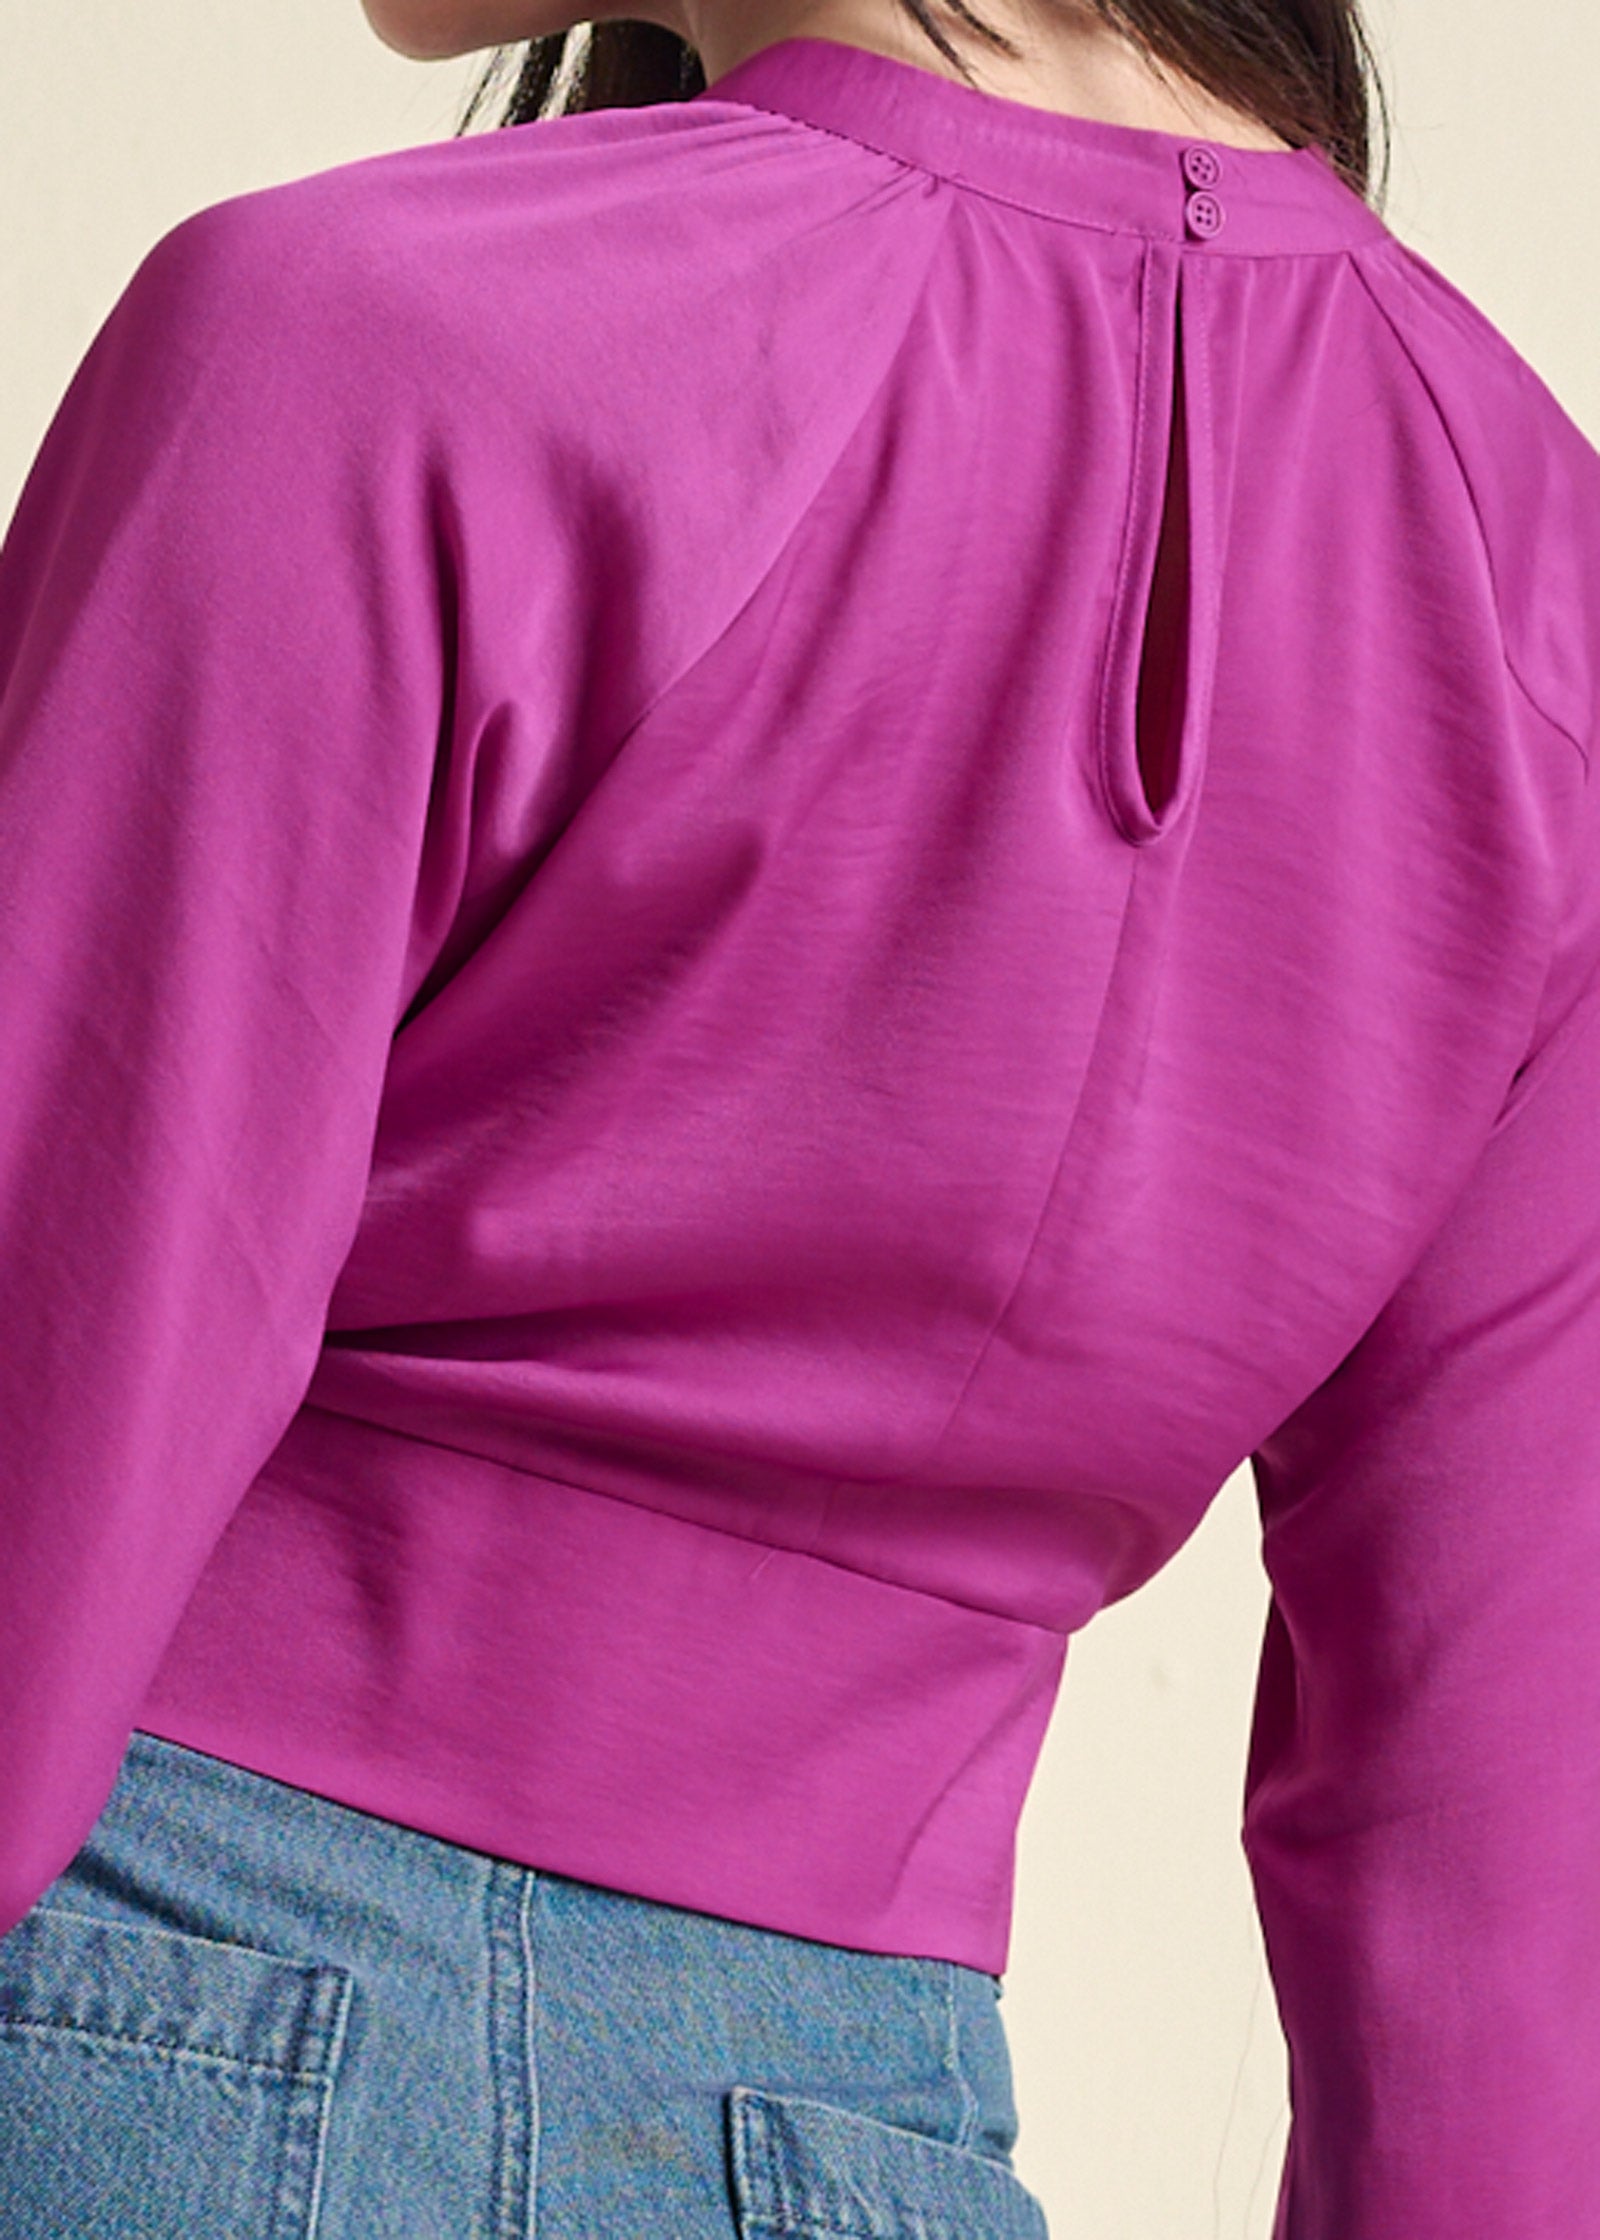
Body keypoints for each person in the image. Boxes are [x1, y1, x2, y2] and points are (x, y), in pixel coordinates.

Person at [0, 0, 1595, 2234]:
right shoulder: (1543, 583)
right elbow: (1501, 1885)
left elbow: (46, 1382)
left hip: (145, 2024)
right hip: (865, 2143)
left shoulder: (362, 333)